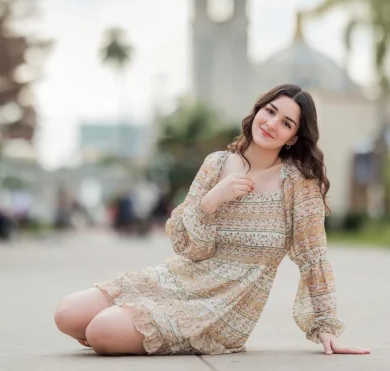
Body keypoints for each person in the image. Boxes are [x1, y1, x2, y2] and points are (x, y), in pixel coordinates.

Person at [53, 84, 370, 357]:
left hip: (224, 307)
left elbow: (313, 257)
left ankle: (123, 328)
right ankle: (128, 326)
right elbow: (186, 247)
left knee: (99, 332)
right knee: (67, 314)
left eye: (286, 123)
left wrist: (326, 326)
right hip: (180, 277)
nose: (272, 124)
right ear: (257, 109)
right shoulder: (216, 163)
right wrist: (210, 201)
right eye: (270, 111)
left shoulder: (299, 182)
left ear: (293, 137)